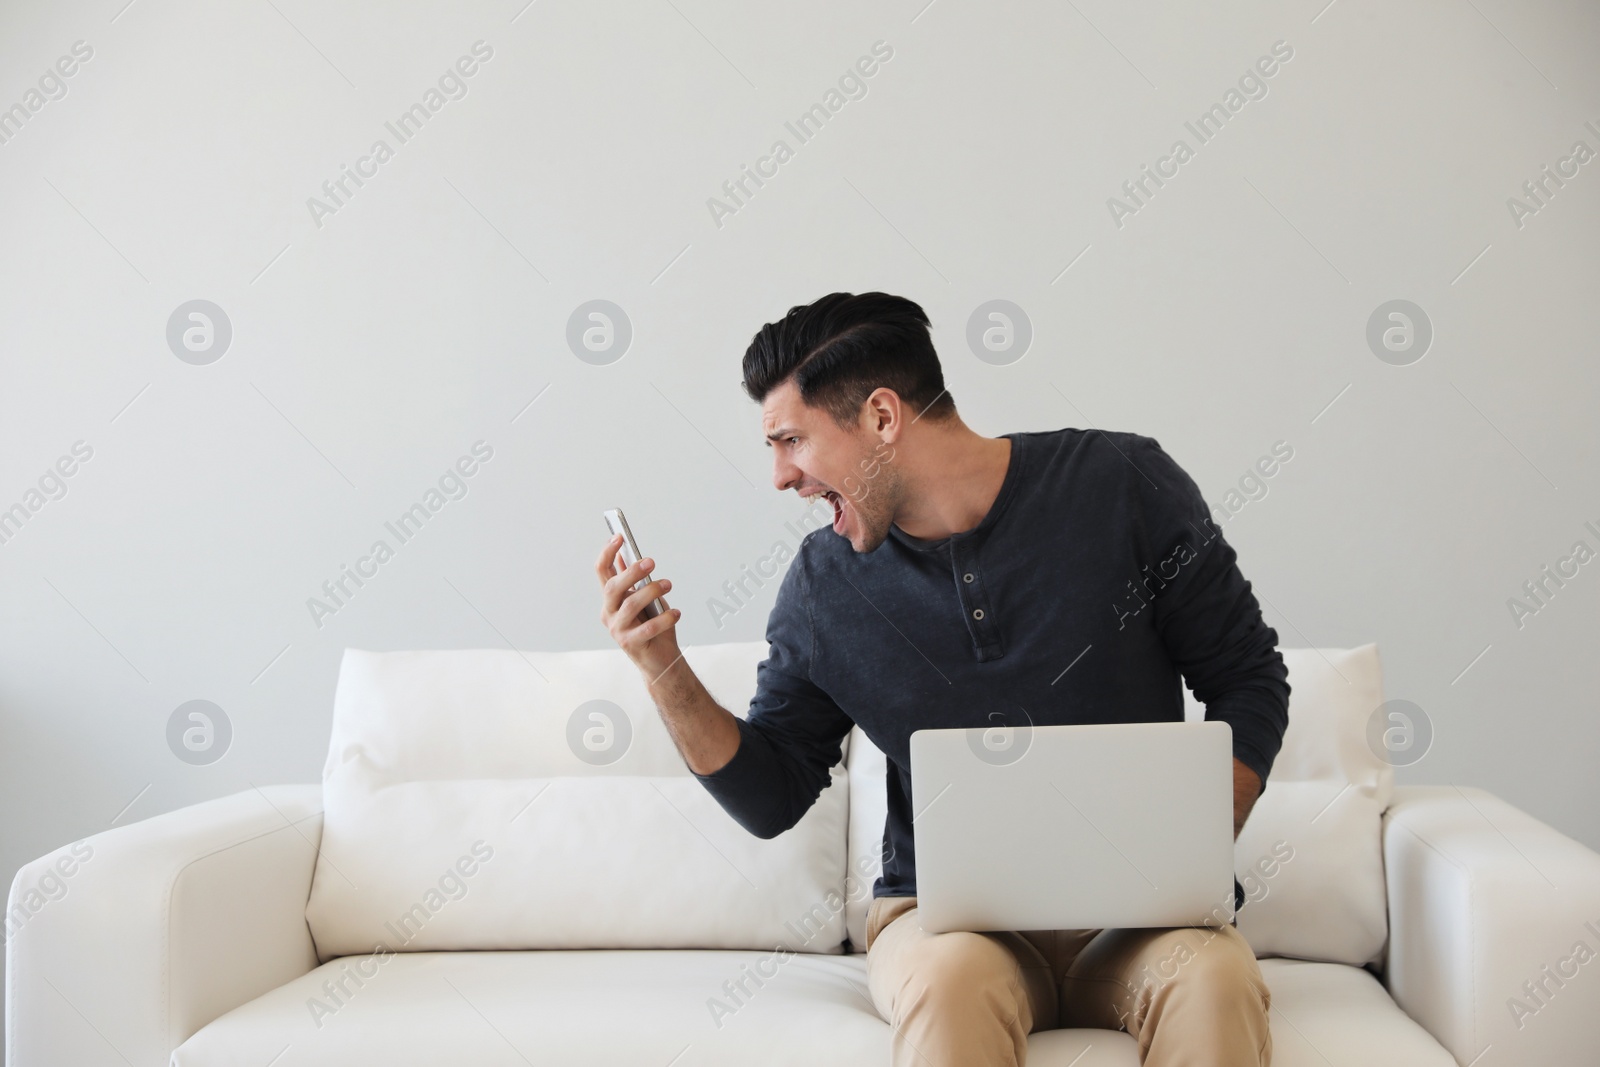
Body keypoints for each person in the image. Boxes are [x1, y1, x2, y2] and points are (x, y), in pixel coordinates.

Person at [596, 291, 1287, 1066]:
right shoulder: (825, 584)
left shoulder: (1122, 484)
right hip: (945, 924)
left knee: (1214, 982)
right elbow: (772, 796)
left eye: (791, 439)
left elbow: (1250, 677)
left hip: (1141, 920)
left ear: (883, 418)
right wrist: (665, 670)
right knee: (952, 981)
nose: (781, 476)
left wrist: (1188, 842)